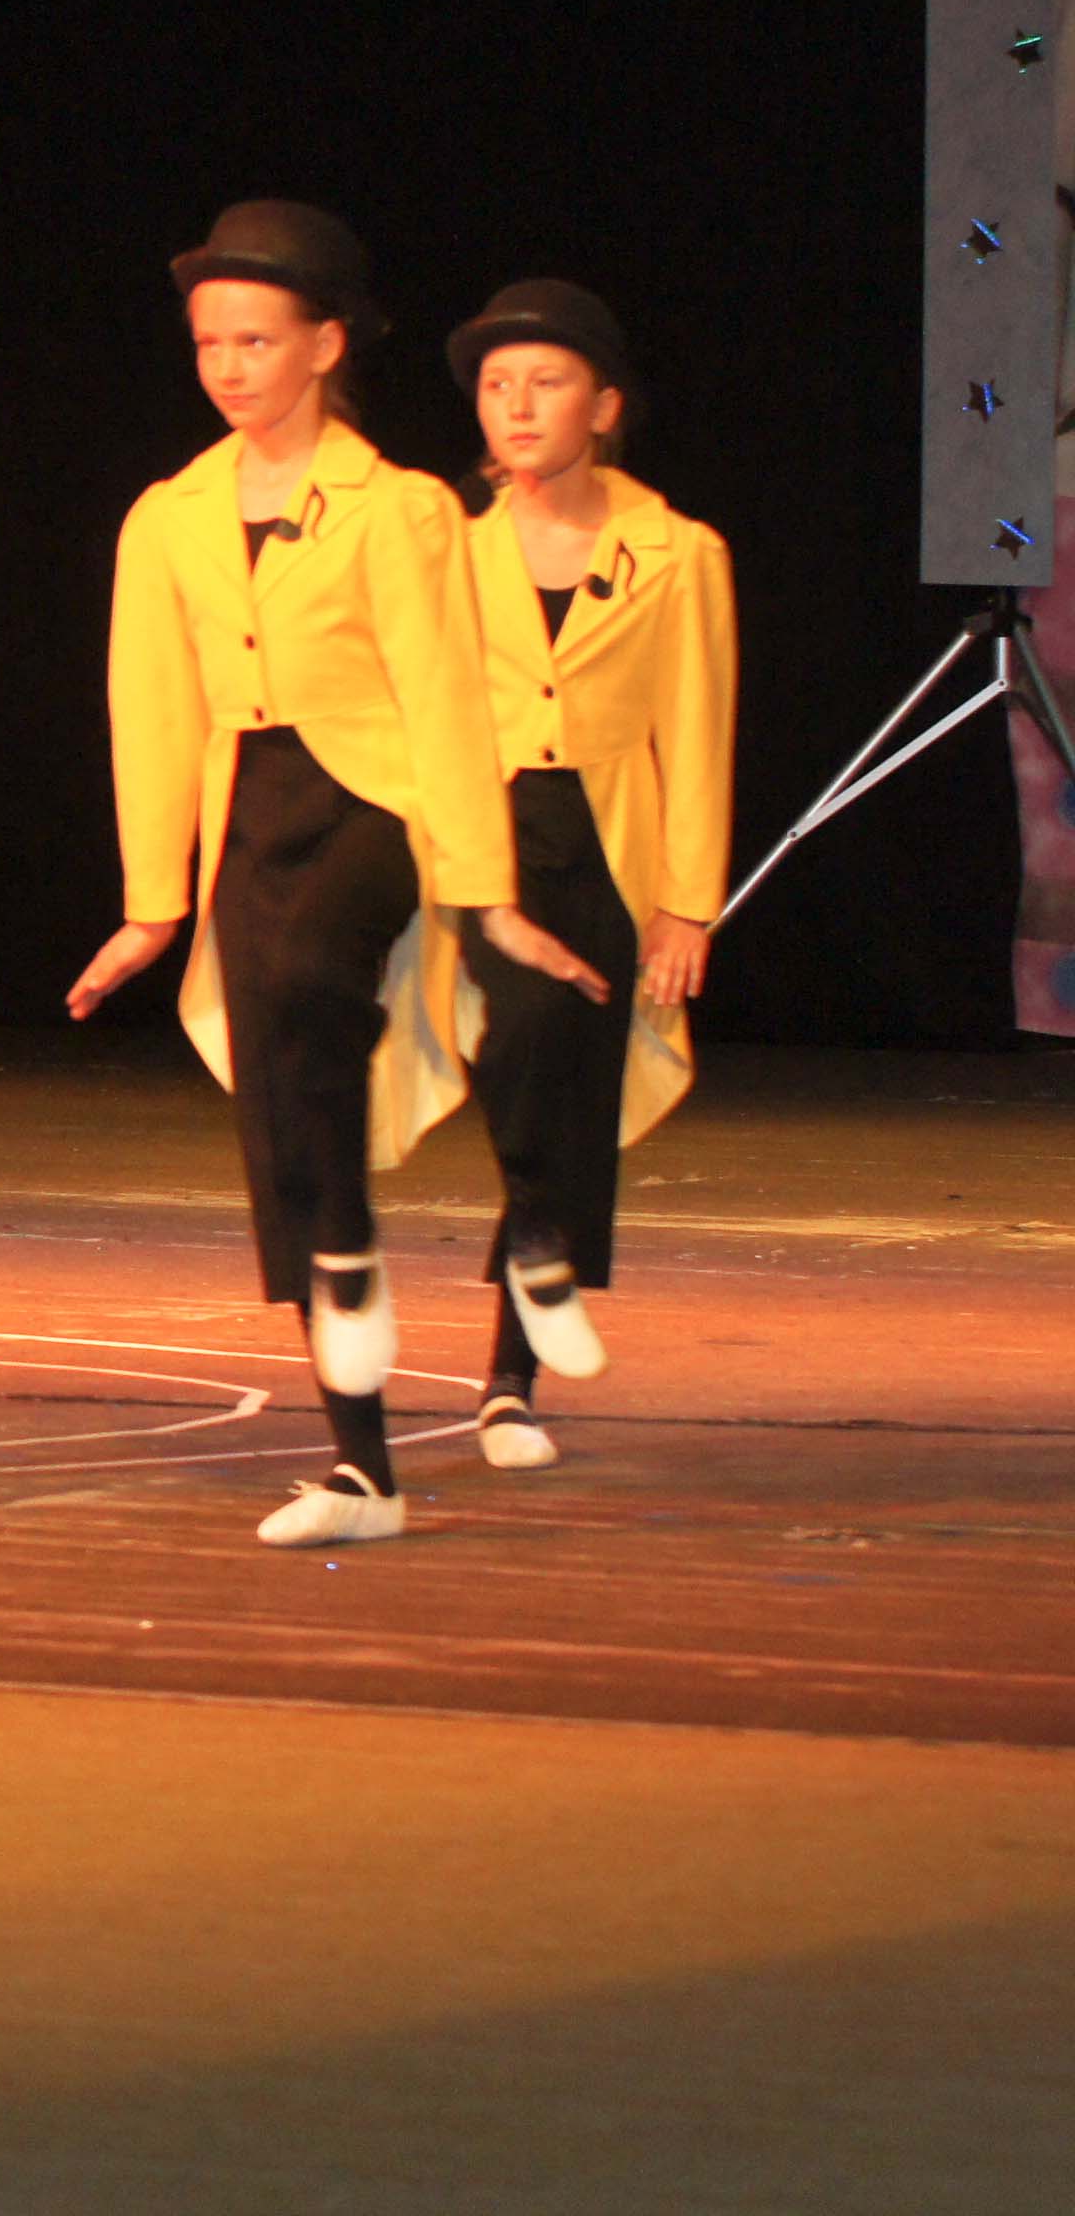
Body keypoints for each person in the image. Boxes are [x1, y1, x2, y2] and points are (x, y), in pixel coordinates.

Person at [71, 202, 605, 1546]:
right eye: (210, 343)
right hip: (248, 809)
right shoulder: (169, 516)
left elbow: (445, 703)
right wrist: (149, 904)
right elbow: (150, 711)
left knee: (316, 975)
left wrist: (484, 889)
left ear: (325, 344)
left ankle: (365, 1258)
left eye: (257, 340)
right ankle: (362, 1466)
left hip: (376, 796)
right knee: (283, 1100)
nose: (230, 367)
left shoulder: (399, 507)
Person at [434, 283, 736, 1469]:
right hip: (482, 837)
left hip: (609, 844)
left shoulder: (677, 552)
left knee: (573, 1090)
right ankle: (538, 1251)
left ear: (603, 407)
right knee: (516, 1041)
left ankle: (509, 1380)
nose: (517, 405)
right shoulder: (445, 546)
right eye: (497, 385)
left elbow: (697, 730)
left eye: (545, 382)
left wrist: (687, 902)